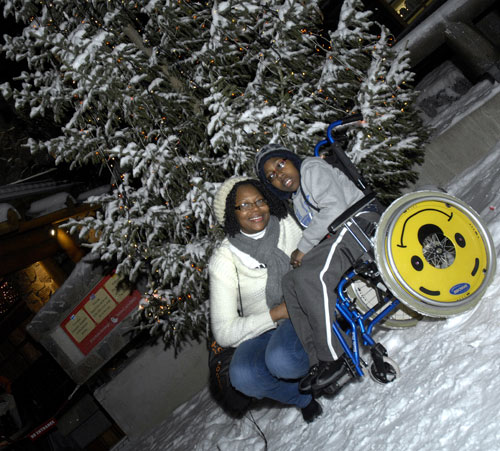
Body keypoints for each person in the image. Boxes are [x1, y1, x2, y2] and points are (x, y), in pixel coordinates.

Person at [254, 144, 379, 395]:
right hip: (341, 233)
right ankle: (317, 360)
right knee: (291, 282)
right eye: (271, 176)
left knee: (312, 277)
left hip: (359, 222)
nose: (279, 175)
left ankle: (336, 355)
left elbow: (335, 208)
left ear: (291, 160)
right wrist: (305, 253)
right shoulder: (297, 199)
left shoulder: (311, 168)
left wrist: (303, 248)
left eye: (280, 164)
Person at [209, 176, 322, 422]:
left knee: (283, 359)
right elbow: (224, 332)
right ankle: (303, 398)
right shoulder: (224, 259)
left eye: (260, 200)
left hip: (306, 307)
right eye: (244, 205)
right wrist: (276, 314)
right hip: (265, 325)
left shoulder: (288, 223)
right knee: (243, 375)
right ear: (230, 213)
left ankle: (323, 366)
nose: (256, 209)